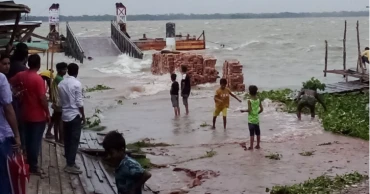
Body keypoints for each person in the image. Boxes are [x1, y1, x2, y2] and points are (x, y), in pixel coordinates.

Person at [10, 54, 50, 175]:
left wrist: (17, 92)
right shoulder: (38, 79)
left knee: (27, 139)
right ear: (38, 65)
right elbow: (43, 98)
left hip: (24, 113)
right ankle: (33, 166)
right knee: (35, 141)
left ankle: (27, 161)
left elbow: (9, 83)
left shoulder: (21, 75)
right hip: (37, 115)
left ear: (28, 63)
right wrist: (47, 113)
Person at [58, 63, 86, 174]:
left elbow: (60, 101)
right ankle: (70, 164)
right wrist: (83, 116)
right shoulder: (77, 84)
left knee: (67, 139)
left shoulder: (61, 83)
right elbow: (79, 102)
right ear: (77, 72)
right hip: (74, 114)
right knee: (74, 140)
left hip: (65, 114)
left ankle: (69, 162)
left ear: (68, 71)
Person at [0, 72, 21, 194]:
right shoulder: (1, 78)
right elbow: (8, 108)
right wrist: (17, 135)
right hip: (1, 137)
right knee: (3, 176)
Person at [6, 43, 28, 150]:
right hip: (17, 101)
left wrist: (8, 51)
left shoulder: (10, 63)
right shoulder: (23, 69)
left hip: (10, 99)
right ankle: (21, 148)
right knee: (20, 127)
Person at [45, 62, 67, 142]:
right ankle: (61, 139)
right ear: (60, 70)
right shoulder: (60, 79)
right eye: (64, 69)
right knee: (60, 121)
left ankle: (56, 138)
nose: (66, 71)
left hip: (56, 102)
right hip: (59, 103)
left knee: (55, 119)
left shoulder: (57, 78)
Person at [241, 85, 264, 150]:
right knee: (258, 133)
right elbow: (262, 109)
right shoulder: (258, 100)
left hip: (251, 120)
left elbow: (249, 110)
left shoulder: (249, 100)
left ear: (249, 92)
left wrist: (243, 111)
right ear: (256, 92)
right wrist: (257, 113)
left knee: (251, 134)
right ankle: (258, 145)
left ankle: (251, 146)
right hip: (256, 120)